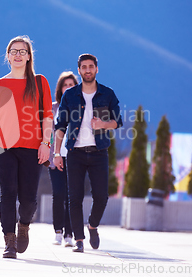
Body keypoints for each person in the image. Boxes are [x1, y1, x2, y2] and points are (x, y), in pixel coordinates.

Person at [0, 35, 53, 259]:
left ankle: (24, 225)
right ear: (7, 56)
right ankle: (9, 241)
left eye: (22, 51)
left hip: (32, 148)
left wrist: (46, 143)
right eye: (14, 51)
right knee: (8, 194)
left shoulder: (40, 82)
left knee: (28, 199)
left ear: (29, 56)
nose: (18, 55)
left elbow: (47, 116)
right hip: (2, 148)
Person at [53, 53, 123, 253]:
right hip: (75, 152)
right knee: (74, 198)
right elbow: (61, 126)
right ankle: (79, 240)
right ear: (79, 70)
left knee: (101, 197)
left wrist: (103, 124)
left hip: (99, 152)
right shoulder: (70, 95)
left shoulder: (107, 94)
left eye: (91, 66)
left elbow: (118, 121)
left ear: (96, 69)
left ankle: (92, 226)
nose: (88, 70)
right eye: (84, 67)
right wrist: (57, 153)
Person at [48, 71, 78, 247]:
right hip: (56, 156)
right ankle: (58, 232)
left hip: (75, 157)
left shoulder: (81, 107)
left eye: (71, 85)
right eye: (65, 85)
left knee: (71, 196)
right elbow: (47, 132)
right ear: (60, 89)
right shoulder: (53, 108)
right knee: (58, 194)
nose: (68, 88)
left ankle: (69, 234)